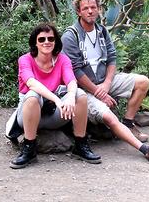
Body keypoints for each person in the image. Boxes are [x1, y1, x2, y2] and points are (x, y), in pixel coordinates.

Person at [62, 0, 149, 167]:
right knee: (110, 118)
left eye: (93, 7)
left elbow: (112, 58)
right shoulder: (70, 36)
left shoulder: (102, 31)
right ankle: (146, 150)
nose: (90, 11)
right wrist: (98, 92)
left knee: (143, 82)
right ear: (79, 12)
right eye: (85, 8)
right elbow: (75, 71)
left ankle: (128, 123)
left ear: (99, 9)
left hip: (104, 81)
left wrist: (107, 84)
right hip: (84, 89)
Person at [9, 23, 101, 169]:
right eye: (42, 39)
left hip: (54, 115)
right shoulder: (25, 60)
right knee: (33, 95)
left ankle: (80, 145)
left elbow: (71, 80)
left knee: (80, 95)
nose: (47, 42)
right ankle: (29, 148)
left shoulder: (62, 59)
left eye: (51, 39)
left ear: (56, 41)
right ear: (35, 42)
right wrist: (57, 99)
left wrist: (70, 96)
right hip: (28, 116)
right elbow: (32, 83)